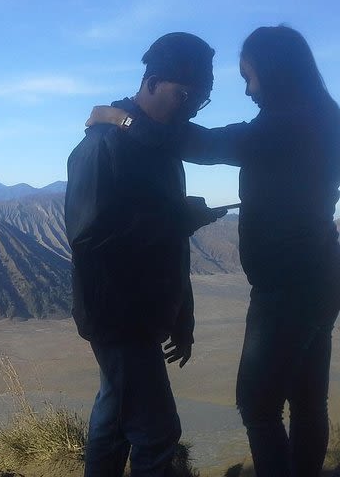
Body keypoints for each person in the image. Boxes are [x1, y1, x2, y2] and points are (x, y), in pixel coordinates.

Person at [86, 25, 340, 477]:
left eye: (250, 77)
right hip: (322, 276)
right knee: (307, 399)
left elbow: (199, 144)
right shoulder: (324, 115)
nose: (247, 90)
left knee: (257, 405)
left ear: (275, 73)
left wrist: (119, 117)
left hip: (285, 287)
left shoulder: (284, 124)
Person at [64, 32, 224, 477]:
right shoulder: (103, 147)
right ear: (152, 82)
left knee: (113, 422)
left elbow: (167, 245)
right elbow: (89, 238)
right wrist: (179, 219)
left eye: (203, 99)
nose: (192, 106)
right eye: (185, 94)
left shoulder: (157, 145)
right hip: (117, 314)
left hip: (139, 313)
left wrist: (180, 314)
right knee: (156, 435)